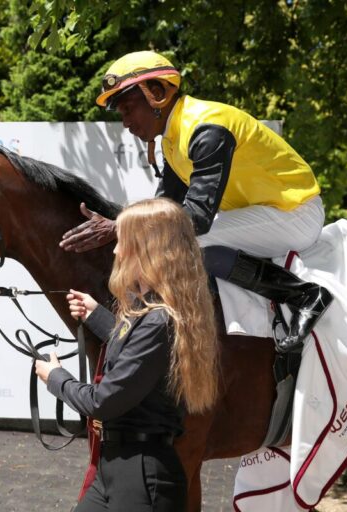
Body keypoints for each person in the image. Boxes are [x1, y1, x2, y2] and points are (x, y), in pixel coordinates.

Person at [60, 50, 332, 351]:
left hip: (296, 214)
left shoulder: (206, 128)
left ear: (158, 94)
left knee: (186, 242)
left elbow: (196, 220)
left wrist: (120, 227)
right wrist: (120, 226)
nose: (125, 123)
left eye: (127, 109)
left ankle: (305, 296)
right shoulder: (174, 139)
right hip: (265, 214)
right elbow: (164, 208)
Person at [36, 198, 220, 511]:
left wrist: (56, 378)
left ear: (148, 249)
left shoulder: (159, 320)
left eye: (123, 242)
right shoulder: (155, 313)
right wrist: (96, 315)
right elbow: (137, 350)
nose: (115, 251)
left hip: (142, 477)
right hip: (120, 469)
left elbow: (102, 402)